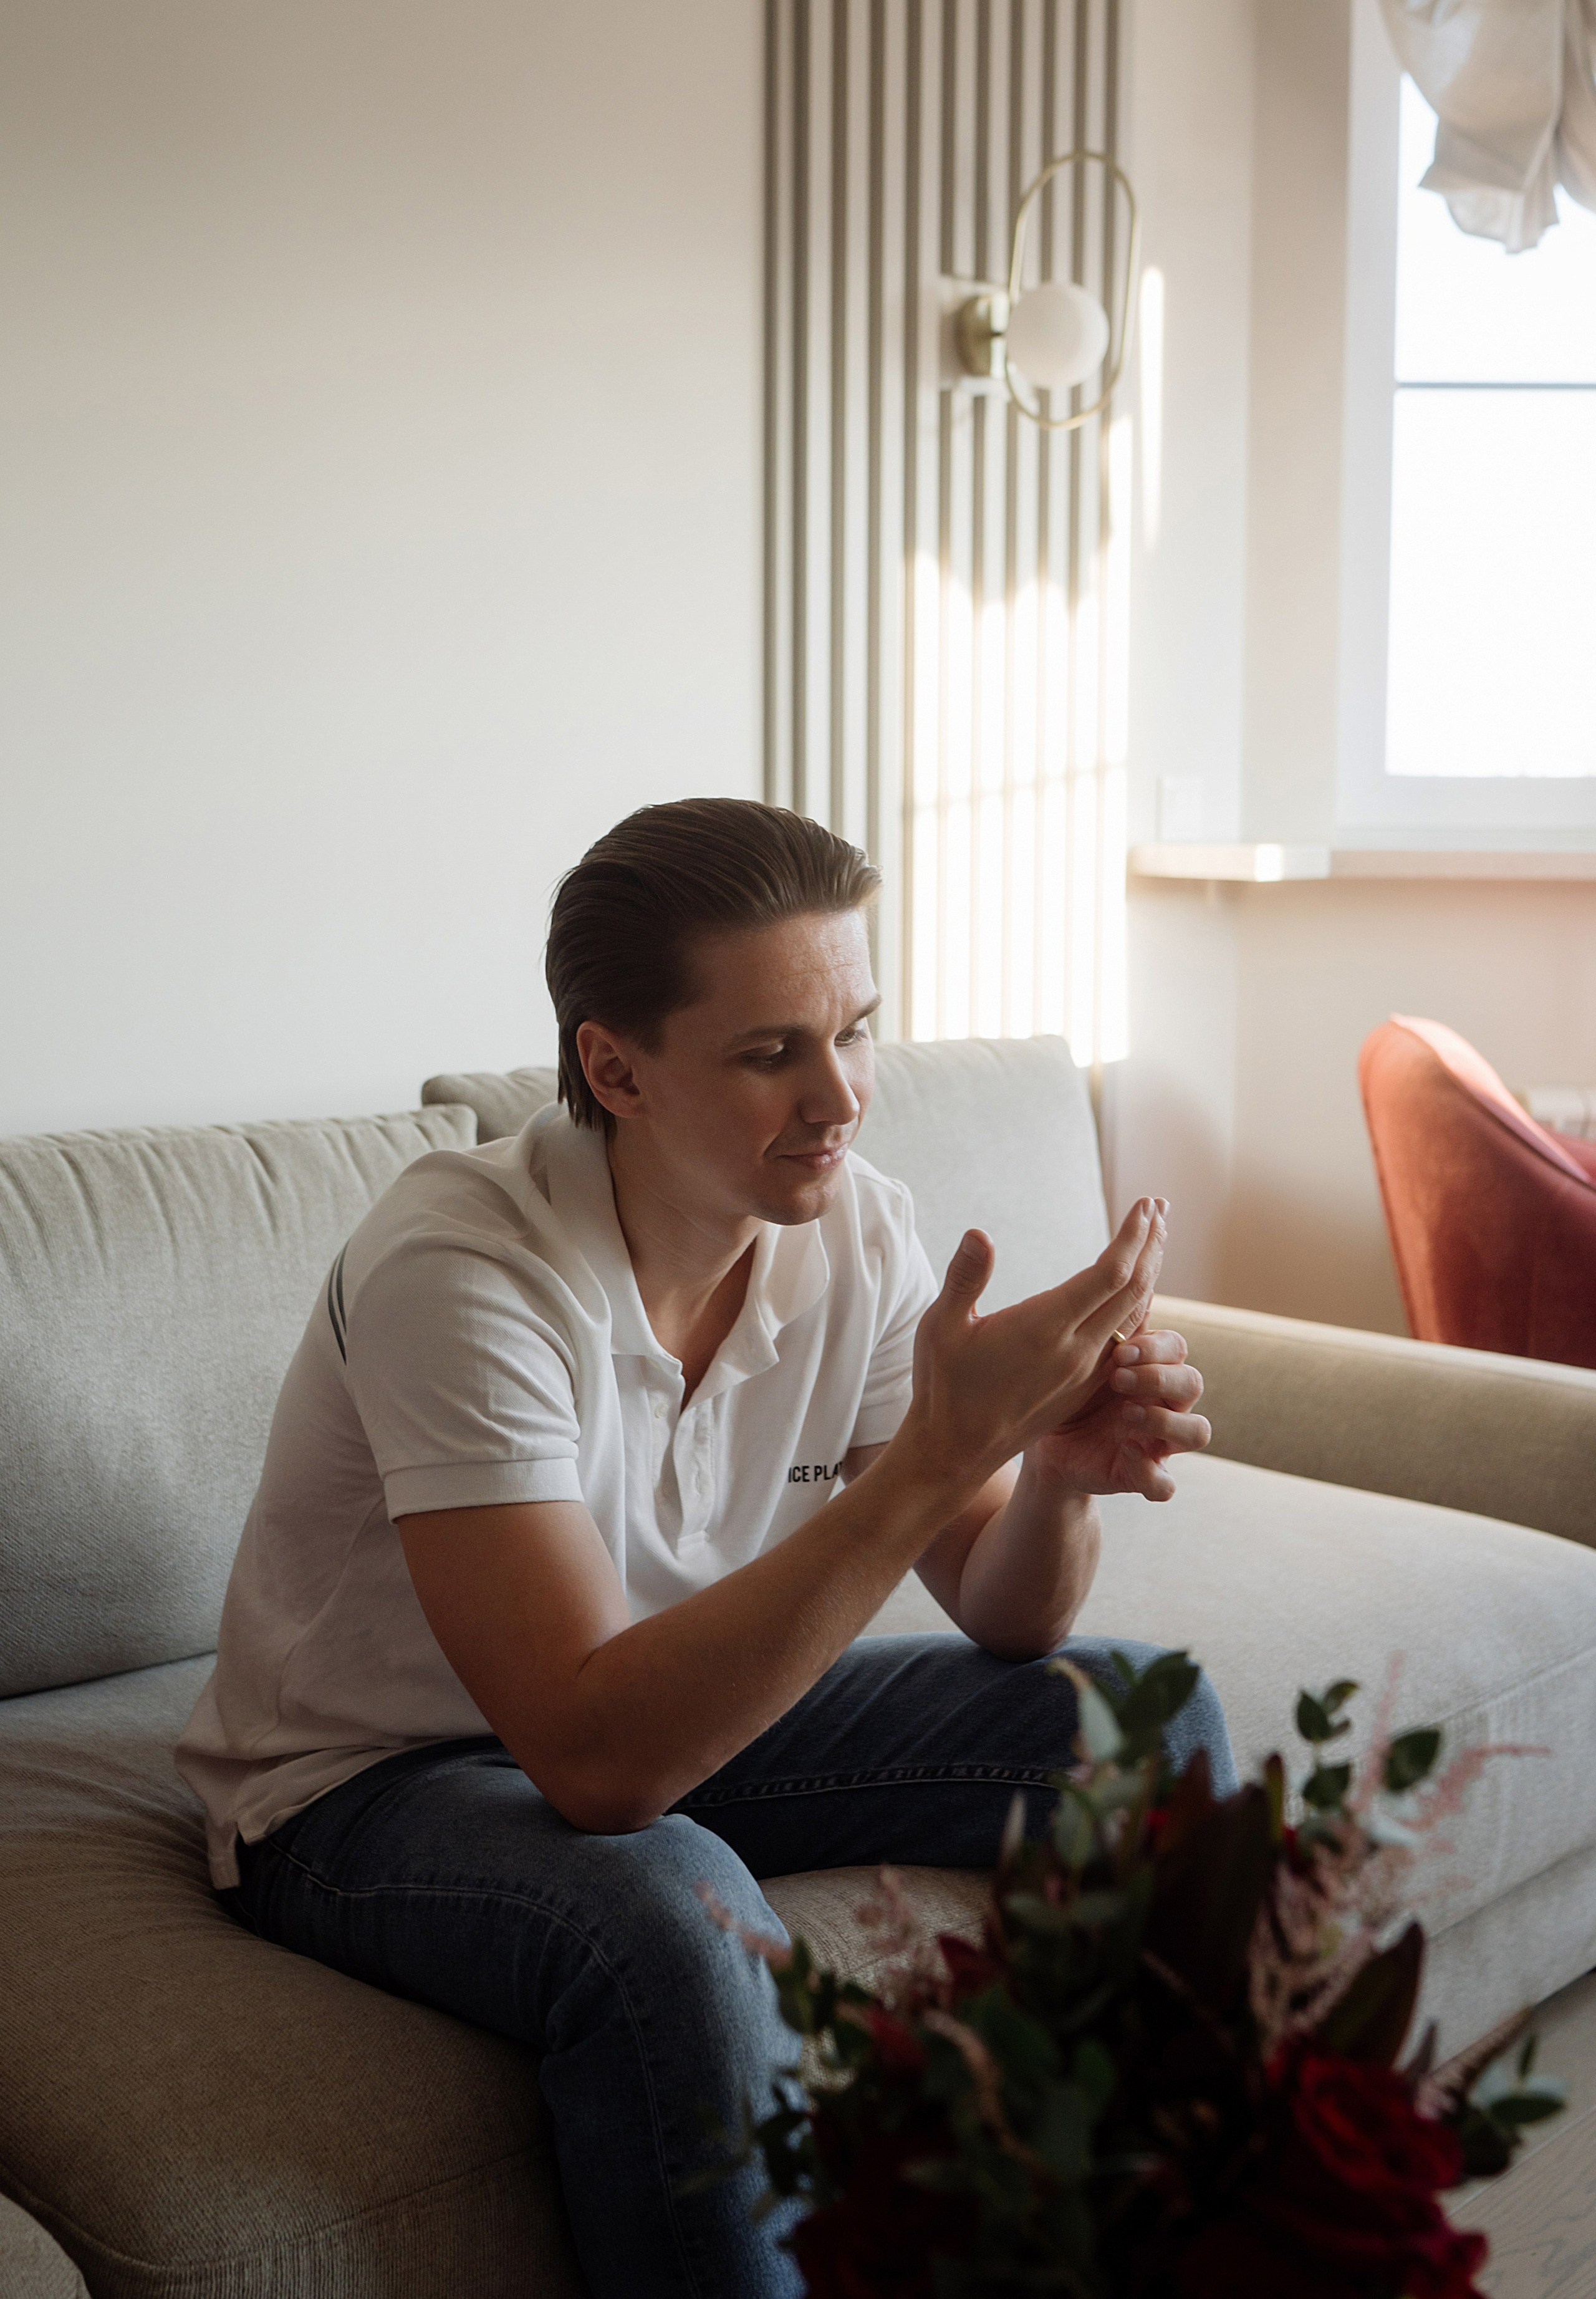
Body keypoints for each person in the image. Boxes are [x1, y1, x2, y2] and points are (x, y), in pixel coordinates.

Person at [177, 797, 1234, 2299]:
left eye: (854, 1031)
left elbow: (1009, 1617)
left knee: (1138, 1718)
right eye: (769, 1052)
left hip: (686, 1705)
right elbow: (596, 1765)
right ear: (615, 1067)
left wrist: (1053, 1477)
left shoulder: (855, 1231)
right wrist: (938, 1450)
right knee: (673, 1916)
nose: (839, 1095)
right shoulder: (462, 1268)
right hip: (362, 1783)